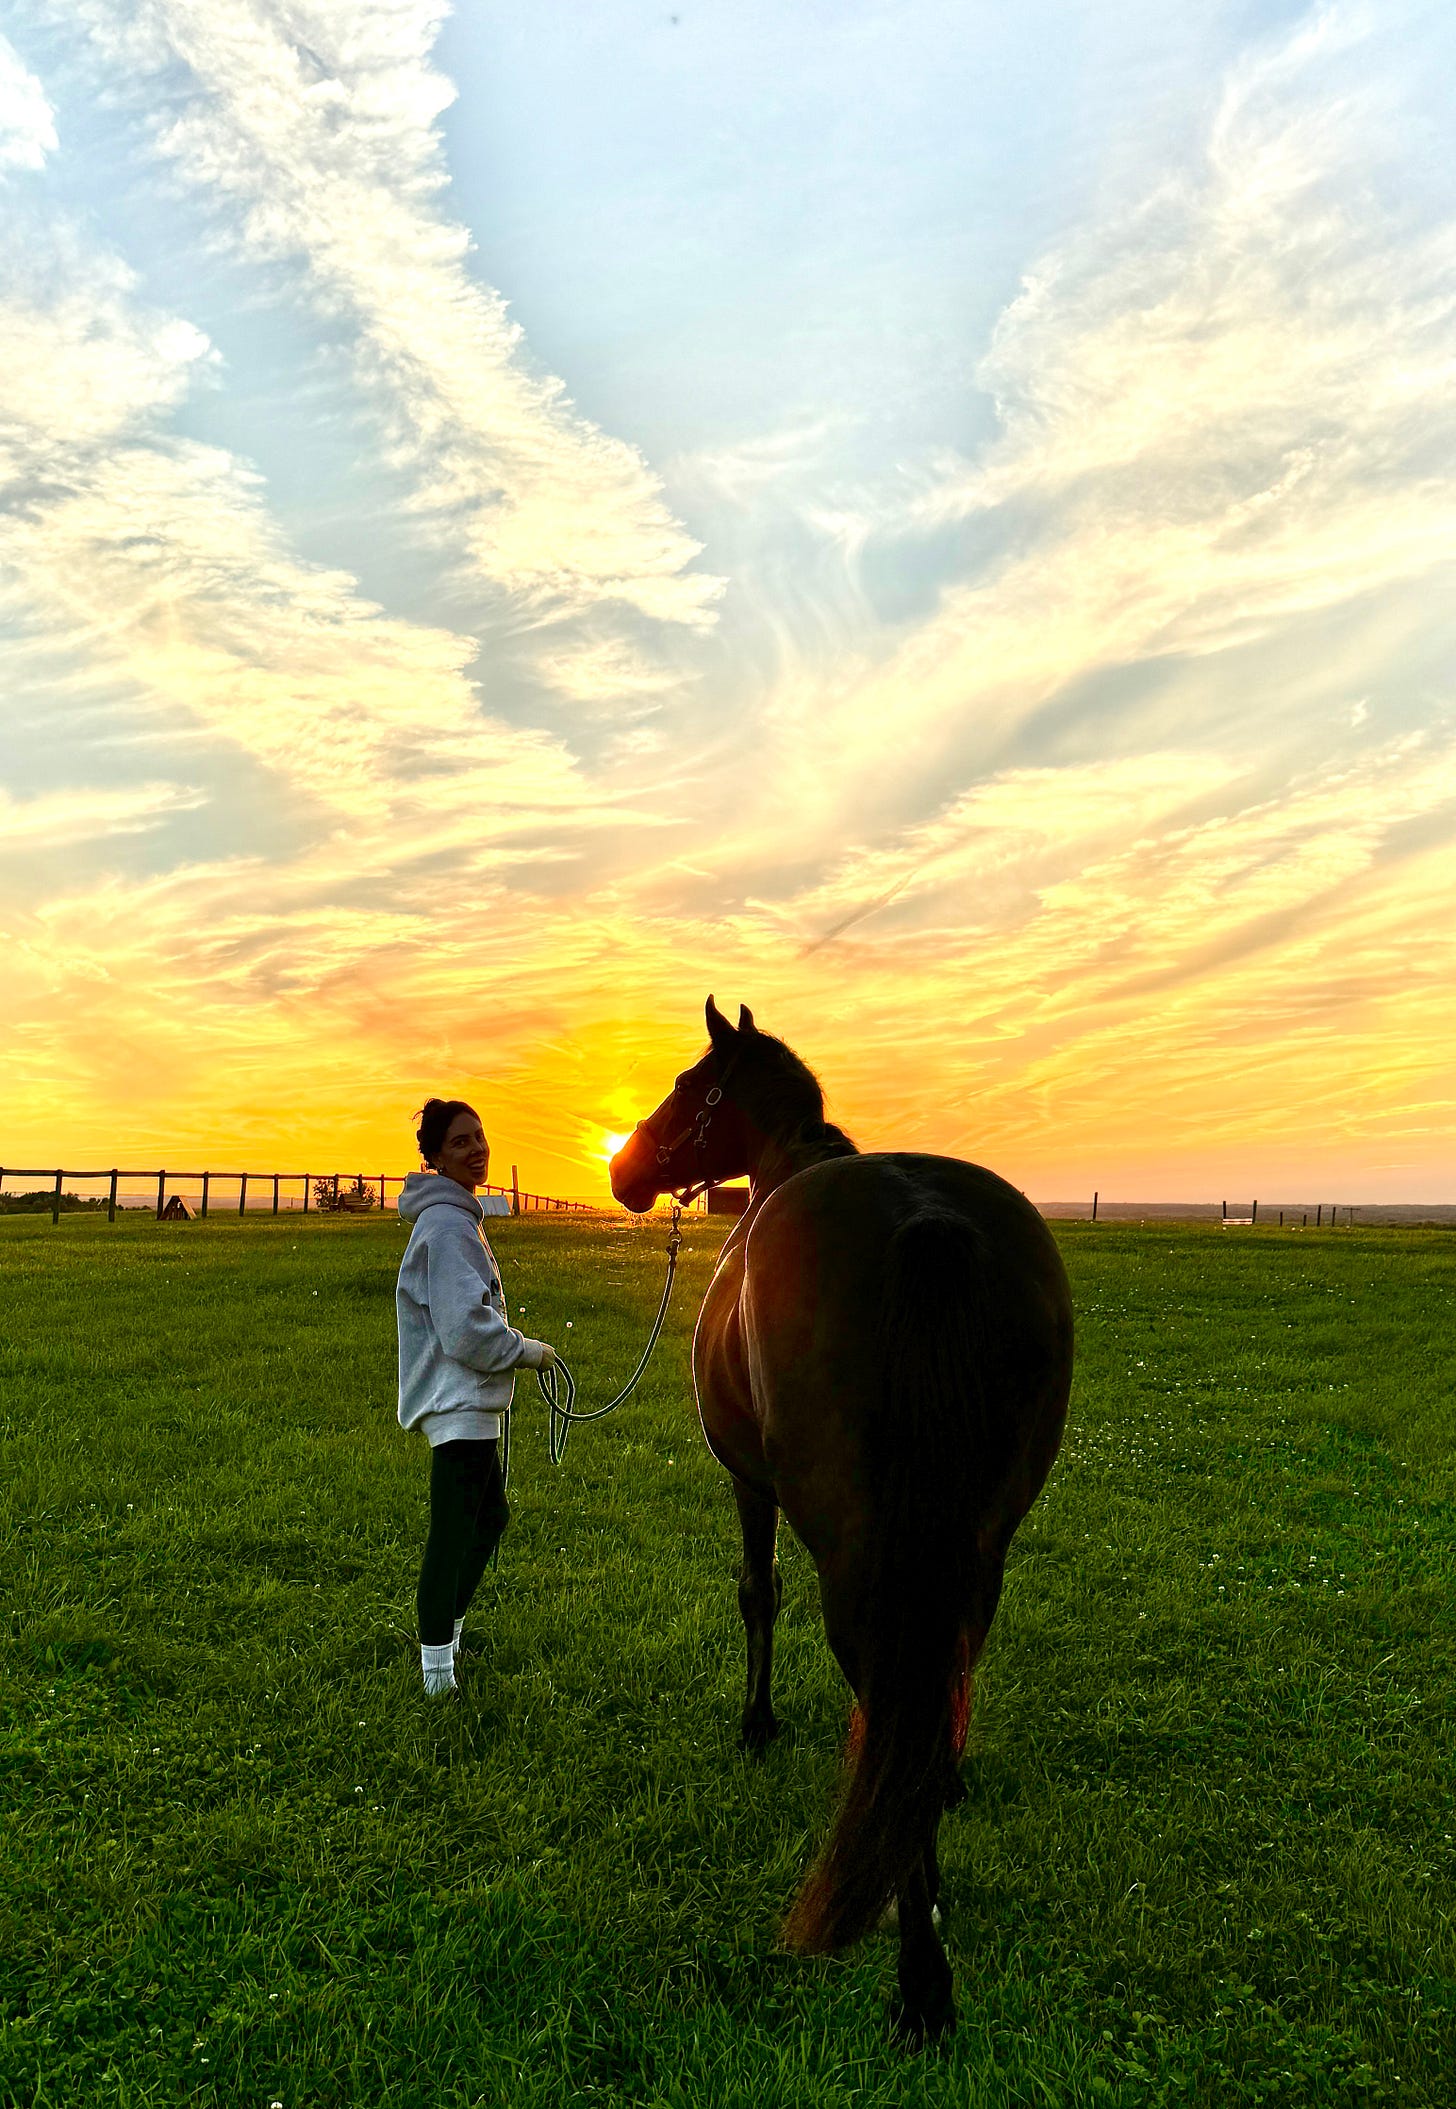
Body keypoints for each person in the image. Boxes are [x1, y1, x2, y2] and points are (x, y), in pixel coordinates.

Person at [396, 1098, 557, 1697]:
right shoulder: (446, 1224)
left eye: (479, 1137)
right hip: (457, 1399)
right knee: (454, 1531)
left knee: (489, 1519)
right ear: (435, 1157)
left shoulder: (458, 1220)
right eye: (459, 1142)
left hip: (470, 1400)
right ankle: (438, 1672)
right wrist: (526, 1350)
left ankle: (450, 1635)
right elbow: (464, 1328)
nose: (475, 1149)